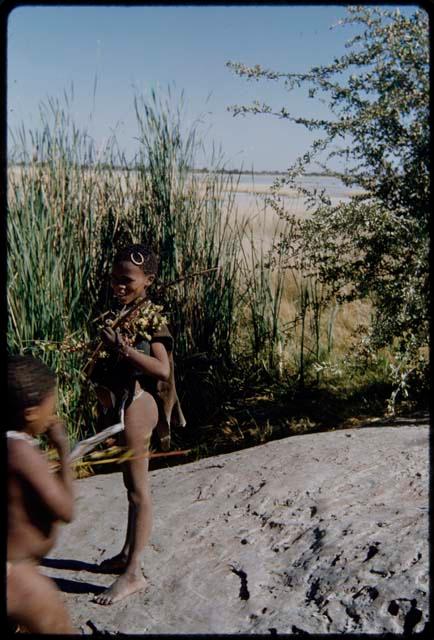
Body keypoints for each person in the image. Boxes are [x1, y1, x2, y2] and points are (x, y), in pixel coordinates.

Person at [88, 242, 183, 605]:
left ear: (149, 280)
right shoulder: (124, 313)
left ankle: (134, 574)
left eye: (126, 280)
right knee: (130, 486)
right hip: (125, 405)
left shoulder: (152, 318)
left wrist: (124, 350)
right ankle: (127, 554)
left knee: (138, 491)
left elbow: (161, 369)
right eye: (114, 279)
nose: (118, 286)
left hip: (140, 405)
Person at [7, 354, 76, 634]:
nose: (53, 412)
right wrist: (63, 451)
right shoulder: (23, 452)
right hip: (17, 576)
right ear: (32, 412)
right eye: (51, 404)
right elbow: (65, 510)